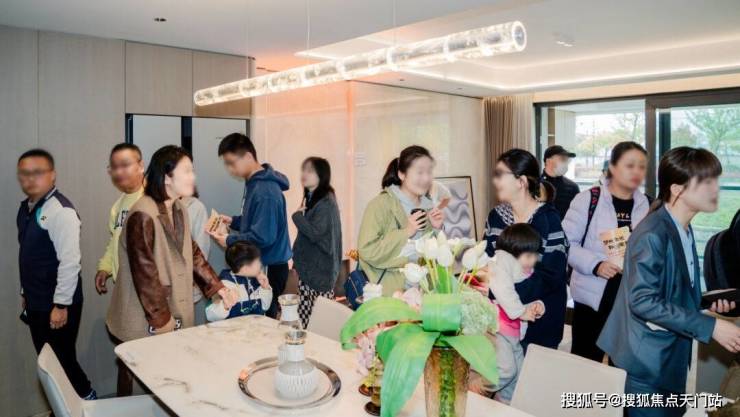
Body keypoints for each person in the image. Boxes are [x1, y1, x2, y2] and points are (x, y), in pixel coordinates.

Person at [597, 147, 740, 417]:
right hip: (645, 360)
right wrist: (711, 326)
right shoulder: (653, 234)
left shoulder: (683, 227)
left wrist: (706, 300)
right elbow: (642, 301)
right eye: (707, 182)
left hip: (667, 355)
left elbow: (669, 289)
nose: (715, 189)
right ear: (677, 189)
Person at [106, 145, 236, 396]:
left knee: (168, 380)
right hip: (144, 315)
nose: (193, 176)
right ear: (167, 177)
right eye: (187, 171)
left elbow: (193, 253)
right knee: (140, 383)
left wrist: (218, 288)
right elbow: (144, 274)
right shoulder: (142, 214)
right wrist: (161, 320)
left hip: (169, 308)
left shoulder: (179, 209)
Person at [16, 149, 96, 399]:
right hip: (37, 300)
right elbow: (29, 256)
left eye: (37, 172)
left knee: (62, 362)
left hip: (57, 305)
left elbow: (70, 263)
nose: (30, 179)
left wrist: (61, 305)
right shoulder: (27, 208)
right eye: (24, 173)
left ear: (52, 175)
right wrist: (25, 292)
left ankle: (87, 402)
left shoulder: (61, 211)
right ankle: (64, 408)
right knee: (48, 361)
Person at [564, 141, 651, 362]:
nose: (636, 172)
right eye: (629, 165)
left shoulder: (647, 205)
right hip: (593, 298)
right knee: (585, 362)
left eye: (642, 166)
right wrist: (596, 265)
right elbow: (566, 243)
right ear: (612, 167)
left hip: (630, 299)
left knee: (623, 364)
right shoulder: (589, 199)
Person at [484, 148, 568, 350]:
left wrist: (506, 296)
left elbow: (551, 274)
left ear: (521, 181)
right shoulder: (496, 217)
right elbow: (487, 261)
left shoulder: (548, 219)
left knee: (534, 368)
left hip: (539, 319)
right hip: (502, 321)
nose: (495, 181)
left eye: (500, 175)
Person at [208, 133, 292, 319]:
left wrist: (230, 240)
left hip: (268, 266)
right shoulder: (255, 184)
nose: (230, 170)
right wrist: (234, 221)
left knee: (262, 320)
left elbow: (264, 236)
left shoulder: (265, 191)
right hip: (259, 263)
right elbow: (257, 221)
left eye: (231, 163)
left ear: (247, 156)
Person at [357, 145, 445, 296]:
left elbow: (434, 258)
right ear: (402, 174)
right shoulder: (380, 205)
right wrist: (406, 232)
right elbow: (367, 251)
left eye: (429, 172)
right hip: (391, 295)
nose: (426, 178)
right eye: (419, 172)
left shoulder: (429, 207)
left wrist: (437, 229)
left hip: (424, 292)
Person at [487, 223, 546, 403]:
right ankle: (475, 389)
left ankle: (505, 404)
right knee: (506, 371)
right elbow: (504, 291)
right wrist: (521, 312)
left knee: (519, 374)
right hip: (497, 330)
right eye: (528, 256)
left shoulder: (521, 271)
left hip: (512, 333)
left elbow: (522, 297)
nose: (533, 261)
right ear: (512, 252)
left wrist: (537, 305)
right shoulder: (501, 262)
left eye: (535, 255)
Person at [291, 157, 342, 328]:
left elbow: (314, 234)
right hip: (311, 270)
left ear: (321, 175)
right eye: (303, 169)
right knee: (307, 319)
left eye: (310, 171)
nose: (304, 174)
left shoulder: (326, 203)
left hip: (319, 272)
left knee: (320, 323)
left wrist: (296, 216)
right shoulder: (313, 197)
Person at [95, 143, 145, 295]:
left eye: (125, 165)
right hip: (123, 286)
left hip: (146, 288)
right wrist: (105, 268)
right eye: (114, 167)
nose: (118, 172)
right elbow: (115, 241)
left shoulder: (152, 200)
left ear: (141, 166)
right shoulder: (117, 206)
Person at [205, 241, 272, 321]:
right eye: (257, 262)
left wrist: (265, 288)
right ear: (245, 268)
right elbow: (210, 316)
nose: (260, 264)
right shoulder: (222, 286)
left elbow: (265, 307)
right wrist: (225, 306)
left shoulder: (256, 281)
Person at [183, 191, 210, 325]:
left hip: (186, 285)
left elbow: (201, 248)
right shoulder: (153, 205)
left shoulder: (196, 207)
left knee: (183, 328)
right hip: (161, 289)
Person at [541, 145, 579, 219]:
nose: (565, 164)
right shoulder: (535, 184)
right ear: (548, 161)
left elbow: (577, 213)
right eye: (562, 159)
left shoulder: (572, 187)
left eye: (567, 161)